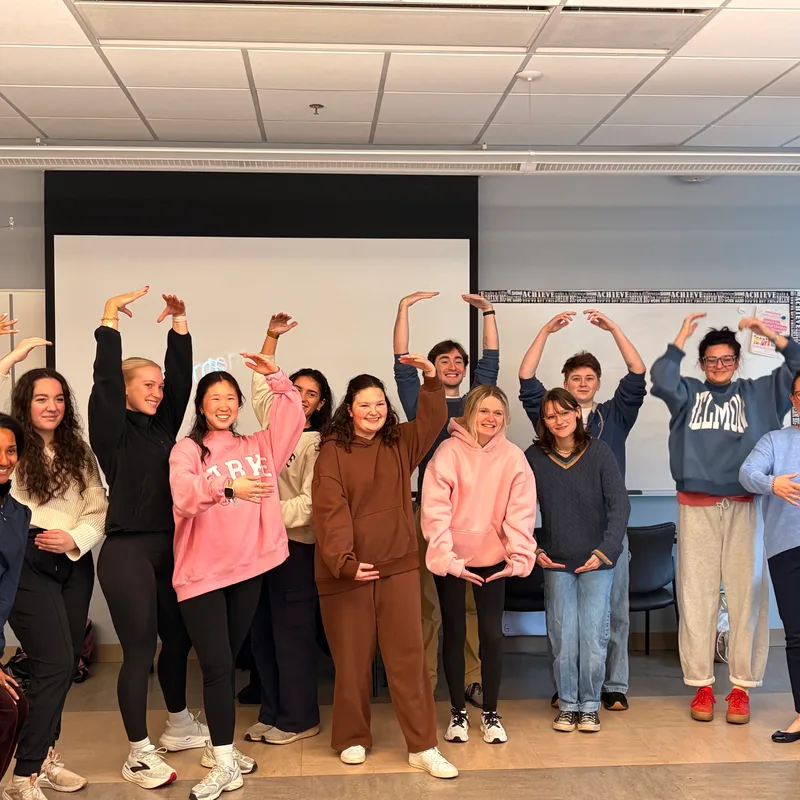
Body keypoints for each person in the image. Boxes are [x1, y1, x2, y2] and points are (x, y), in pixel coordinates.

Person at [651, 314, 800, 725]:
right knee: (696, 596)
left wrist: (769, 334)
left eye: (727, 359)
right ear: (701, 363)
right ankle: (701, 685)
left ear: (737, 361)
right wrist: (681, 334)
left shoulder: (760, 393)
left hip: (745, 506)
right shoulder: (686, 393)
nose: (719, 366)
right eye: (711, 360)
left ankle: (740, 688)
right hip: (696, 506)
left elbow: (797, 365)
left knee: (746, 597)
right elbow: (661, 376)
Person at [312, 360, 458, 779]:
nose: (374, 411)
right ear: (349, 410)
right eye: (365, 404)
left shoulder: (400, 443)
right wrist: (344, 562)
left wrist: (431, 378)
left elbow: (433, 416)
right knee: (353, 661)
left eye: (380, 404)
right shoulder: (332, 451)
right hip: (348, 573)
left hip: (397, 568)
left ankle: (423, 745)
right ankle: (352, 738)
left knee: (408, 659)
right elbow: (329, 509)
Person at [88, 287, 208, 789]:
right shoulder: (112, 429)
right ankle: (138, 753)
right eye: (147, 385)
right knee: (139, 649)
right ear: (124, 389)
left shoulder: (162, 431)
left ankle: (178, 725)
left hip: (168, 546)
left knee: (177, 640)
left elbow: (181, 383)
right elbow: (104, 381)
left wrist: (179, 326)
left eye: (158, 386)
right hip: (127, 550)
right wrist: (109, 319)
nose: (158, 391)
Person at [169, 358, 304, 800]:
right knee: (215, 665)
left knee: (225, 664)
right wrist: (228, 489)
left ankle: (221, 752)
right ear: (202, 407)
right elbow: (185, 497)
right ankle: (225, 760)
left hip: (247, 569)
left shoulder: (260, 446)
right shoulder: (187, 450)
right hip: (201, 574)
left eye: (231, 398)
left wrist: (276, 376)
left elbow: (293, 413)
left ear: (240, 403)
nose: (224, 405)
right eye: (215, 399)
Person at [518, 309, 646, 712]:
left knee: (614, 612)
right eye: (576, 379)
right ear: (565, 387)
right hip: (564, 534)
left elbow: (638, 371)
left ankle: (614, 684)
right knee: (565, 619)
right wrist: (543, 332)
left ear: (598, 384)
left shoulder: (614, 415)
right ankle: (567, 687)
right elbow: (525, 378)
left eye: (590, 378)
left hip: (609, 529)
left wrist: (613, 330)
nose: (584, 384)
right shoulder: (555, 416)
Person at [0, 334, 106, 800]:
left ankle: (43, 758)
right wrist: (9, 359)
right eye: (41, 398)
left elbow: (98, 508)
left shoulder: (78, 450)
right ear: (25, 403)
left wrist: (75, 539)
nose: (52, 406)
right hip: (26, 562)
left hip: (72, 563)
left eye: (59, 398)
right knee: (54, 661)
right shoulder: (11, 449)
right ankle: (22, 777)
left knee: (62, 667)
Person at [393, 291, 499, 708]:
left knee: (471, 606)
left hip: (475, 520)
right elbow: (401, 361)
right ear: (432, 368)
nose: (453, 366)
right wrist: (403, 310)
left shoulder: (477, 404)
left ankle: (472, 679)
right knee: (427, 605)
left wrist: (488, 312)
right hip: (429, 516)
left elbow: (490, 359)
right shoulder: (420, 403)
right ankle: (427, 679)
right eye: (445, 360)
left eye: (459, 361)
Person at [421, 385, 536, 746]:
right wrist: (446, 559)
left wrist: (518, 556)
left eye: (498, 413)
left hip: (493, 558)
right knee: (454, 633)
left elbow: (521, 511)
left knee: (490, 635)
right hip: (453, 558)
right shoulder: (448, 451)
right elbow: (435, 510)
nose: (491, 419)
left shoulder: (514, 457)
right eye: (484, 411)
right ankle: (457, 713)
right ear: (469, 413)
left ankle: (490, 712)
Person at [244, 313, 332, 746]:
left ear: (319, 406)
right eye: (295, 389)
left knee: (292, 636)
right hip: (258, 549)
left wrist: (263, 512)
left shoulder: (319, 444)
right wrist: (271, 338)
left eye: (311, 394)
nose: (300, 397)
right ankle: (272, 712)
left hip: (295, 550)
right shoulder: (270, 432)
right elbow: (262, 383)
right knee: (262, 635)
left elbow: (312, 506)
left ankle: (300, 719)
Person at [525, 389, 629, 734]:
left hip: (596, 562)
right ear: (544, 421)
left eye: (564, 413)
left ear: (577, 414)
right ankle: (568, 704)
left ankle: (589, 706)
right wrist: (533, 549)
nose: (559, 420)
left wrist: (605, 552)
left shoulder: (599, 451)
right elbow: (518, 507)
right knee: (563, 637)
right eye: (551, 416)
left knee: (594, 639)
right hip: (557, 563)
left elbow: (619, 506)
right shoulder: (534, 456)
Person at [740, 370, 800, 743]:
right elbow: (747, 473)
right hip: (787, 549)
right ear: (794, 399)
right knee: (797, 635)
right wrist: (771, 483)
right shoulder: (776, 441)